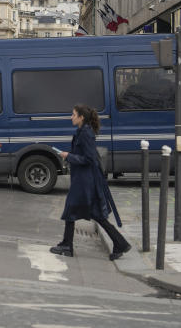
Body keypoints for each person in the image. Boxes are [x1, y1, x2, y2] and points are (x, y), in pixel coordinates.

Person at [50, 103, 130, 260]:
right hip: (84, 179)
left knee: (70, 211)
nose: (71, 117)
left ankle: (67, 246)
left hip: (84, 181)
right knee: (96, 214)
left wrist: (69, 156)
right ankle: (120, 243)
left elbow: (89, 159)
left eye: (73, 114)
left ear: (81, 117)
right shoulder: (82, 131)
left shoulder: (86, 133)